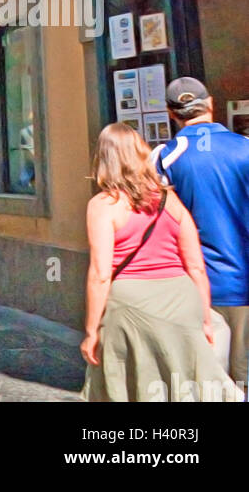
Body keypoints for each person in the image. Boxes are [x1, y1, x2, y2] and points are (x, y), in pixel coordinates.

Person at [82, 122, 238, 402]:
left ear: (103, 159)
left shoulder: (103, 206)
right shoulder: (170, 200)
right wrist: (204, 317)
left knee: (132, 385)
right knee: (182, 385)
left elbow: (101, 274)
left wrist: (92, 330)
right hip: (181, 300)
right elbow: (196, 266)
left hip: (130, 305)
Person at [156, 78, 249, 388]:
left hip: (195, 288)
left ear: (171, 113)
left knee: (208, 382)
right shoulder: (245, 149)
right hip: (243, 282)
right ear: (211, 104)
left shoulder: (164, 159)